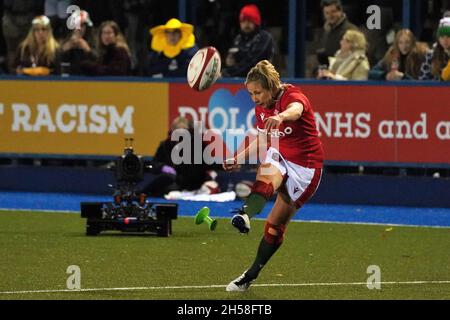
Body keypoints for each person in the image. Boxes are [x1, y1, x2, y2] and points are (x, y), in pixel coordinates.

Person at [223, 60, 324, 292]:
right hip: (280, 153)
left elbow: (296, 110)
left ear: (271, 86)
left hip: (306, 167)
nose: (254, 98)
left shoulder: (292, 96)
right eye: (250, 94)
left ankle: (251, 274)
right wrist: (238, 157)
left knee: (274, 227)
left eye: (258, 92)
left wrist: (282, 117)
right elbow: (261, 140)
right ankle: (246, 214)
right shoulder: (261, 108)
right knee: (270, 170)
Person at [141, 116, 219, 197]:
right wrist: (163, 167)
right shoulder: (165, 145)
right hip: (169, 180)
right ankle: (141, 193)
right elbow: (154, 164)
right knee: (165, 179)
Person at [221, 4, 274, 78]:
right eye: (243, 21)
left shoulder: (264, 37)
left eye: (249, 20)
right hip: (240, 82)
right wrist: (229, 61)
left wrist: (226, 73)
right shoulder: (238, 38)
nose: (246, 24)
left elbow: (252, 63)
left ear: (256, 22)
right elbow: (232, 60)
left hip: (262, 82)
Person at [316, 0, 359, 70]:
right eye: (327, 13)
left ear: (341, 11)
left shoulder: (352, 31)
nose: (330, 16)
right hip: (329, 75)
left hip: (345, 76)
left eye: (333, 11)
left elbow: (357, 57)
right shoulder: (326, 31)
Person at [61, 10, 96, 76]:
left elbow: (99, 61)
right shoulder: (66, 41)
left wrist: (88, 50)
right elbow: (58, 65)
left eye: (82, 25)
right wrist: (64, 51)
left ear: (87, 27)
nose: (79, 28)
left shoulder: (94, 41)